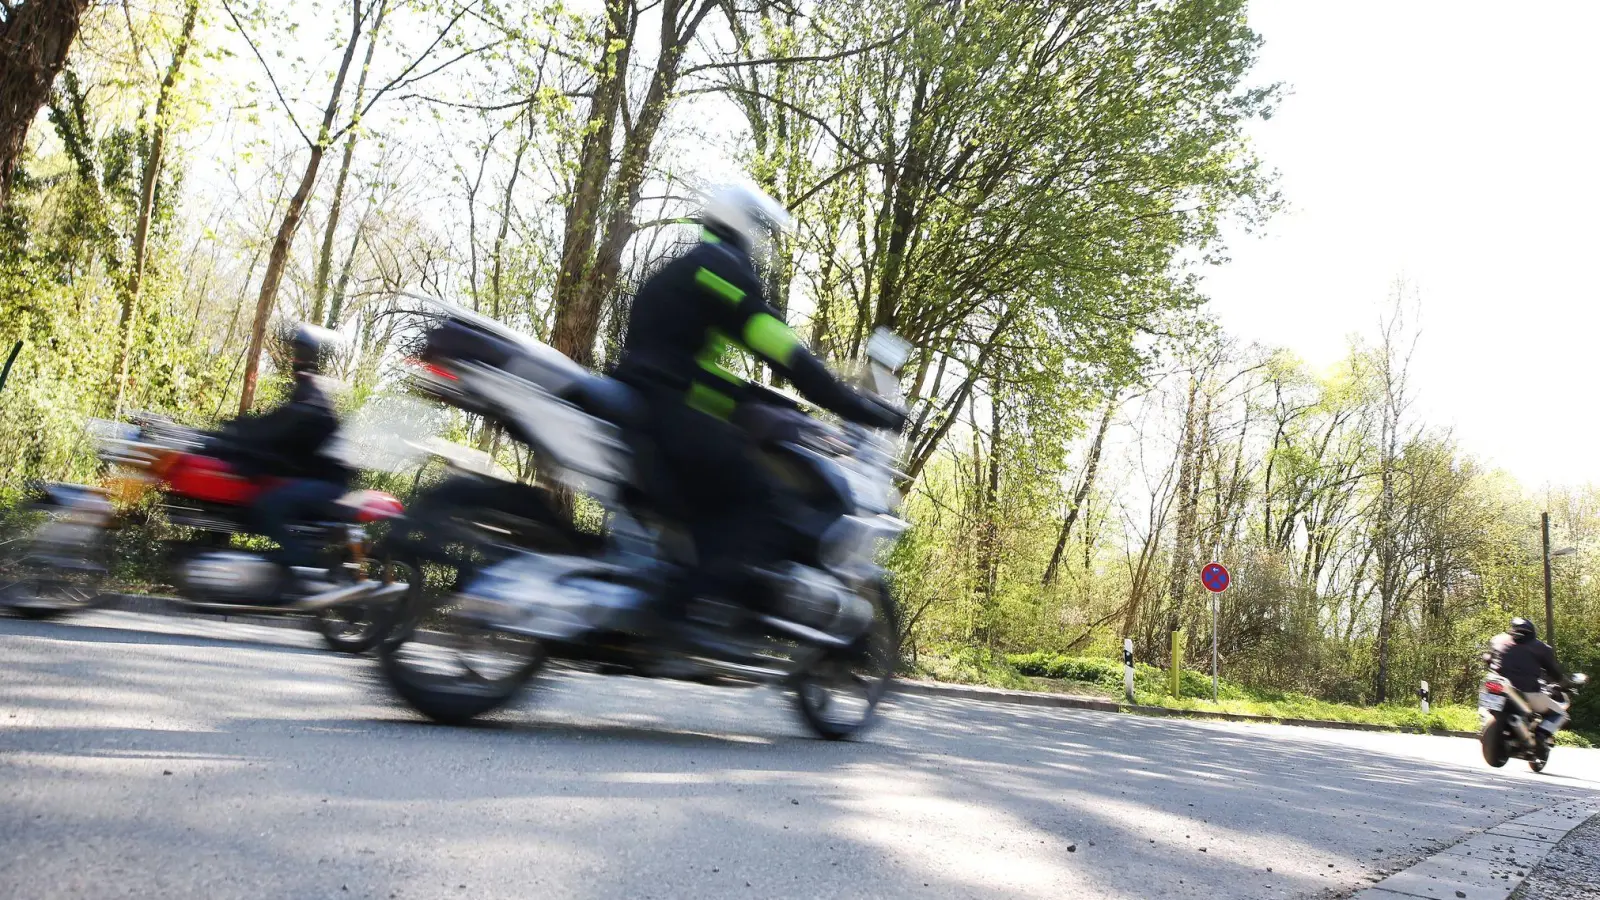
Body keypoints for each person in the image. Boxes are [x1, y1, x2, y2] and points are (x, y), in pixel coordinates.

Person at [613, 183, 904, 655]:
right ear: (746, 225)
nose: (765, 246)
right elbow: (789, 356)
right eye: (764, 232)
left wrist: (759, 402)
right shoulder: (722, 271)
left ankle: (670, 586)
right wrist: (863, 407)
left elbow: (685, 362)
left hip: (647, 404)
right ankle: (684, 614)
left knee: (703, 501)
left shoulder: (681, 271)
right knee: (759, 498)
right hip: (670, 412)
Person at [215, 324, 353, 597]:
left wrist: (238, 432)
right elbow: (278, 427)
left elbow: (280, 427)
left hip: (328, 484)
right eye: (295, 352)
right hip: (313, 479)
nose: (295, 359)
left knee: (266, 506)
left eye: (301, 353)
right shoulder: (304, 392)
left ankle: (306, 568)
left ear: (313, 358)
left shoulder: (312, 397)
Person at [1489, 617, 1567, 732]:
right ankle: (1541, 735)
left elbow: (1488, 658)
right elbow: (1554, 671)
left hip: (1500, 687)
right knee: (1560, 713)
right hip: (1527, 691)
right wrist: (1564, 682)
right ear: (1532, 632)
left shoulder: (1500, 641)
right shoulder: (1540, 647)